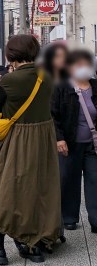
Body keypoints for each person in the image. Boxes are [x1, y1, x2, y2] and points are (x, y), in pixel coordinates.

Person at [0, 34, 61, 265]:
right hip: (44, 138)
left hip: (20, 139)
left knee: (5, 188)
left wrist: (4, 78)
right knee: (38, 188)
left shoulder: (11, 80)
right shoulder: (47, 75)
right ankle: (33, 244)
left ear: (12, 55)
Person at [51, 49, 97, 233]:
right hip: (69, 143)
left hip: (92, 145)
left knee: (95, 180)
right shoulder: (61, 87)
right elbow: (53, 115)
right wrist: (59, 138)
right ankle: (69, 218)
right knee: (69, 179)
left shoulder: (95, 85)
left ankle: (95, 220)